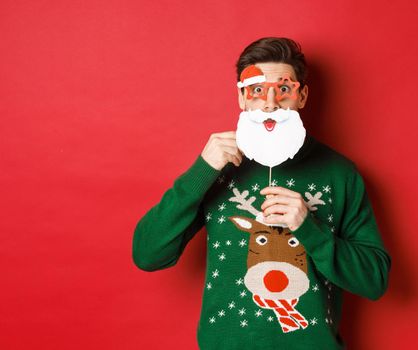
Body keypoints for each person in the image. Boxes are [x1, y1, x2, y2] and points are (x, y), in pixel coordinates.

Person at [132, 37, 391, 350]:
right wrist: (200, 172)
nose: (270, 103)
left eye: (283, 89)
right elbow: (147, 255)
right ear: (242, 97)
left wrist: (310, 229)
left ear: (303, 96)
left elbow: (374, 281)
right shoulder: (217, 168)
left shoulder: (340, 174)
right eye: (257, 90)